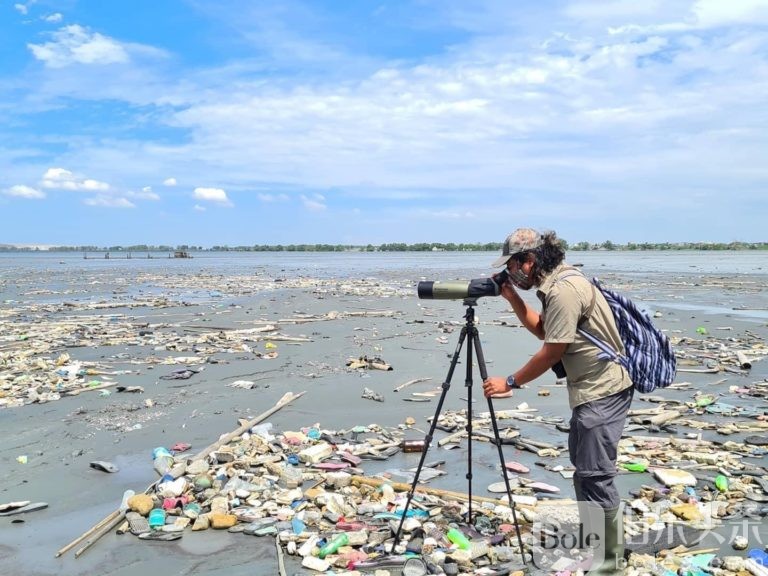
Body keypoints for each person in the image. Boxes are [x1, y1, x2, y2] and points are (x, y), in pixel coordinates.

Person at [482, 228, 632, 574]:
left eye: (513, 266)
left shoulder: (564, 290)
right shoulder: (558, 284)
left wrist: (510, 381)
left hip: (602, 391)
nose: (513, 273)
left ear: (529, 260)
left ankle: (608, 564)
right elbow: (546, 331)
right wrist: (513, 298)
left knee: (596, 475)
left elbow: (552, 351)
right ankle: (599, 547)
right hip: (592, 390)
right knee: (585, 472)